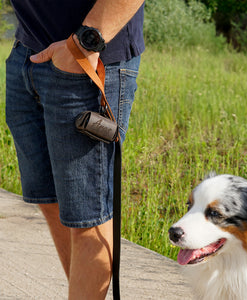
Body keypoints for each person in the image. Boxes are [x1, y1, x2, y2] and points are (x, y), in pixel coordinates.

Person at [5, 0, 145, 299]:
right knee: (50, 198)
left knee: (87, 215)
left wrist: (84, 42)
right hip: (28, 51)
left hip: (87, 58)